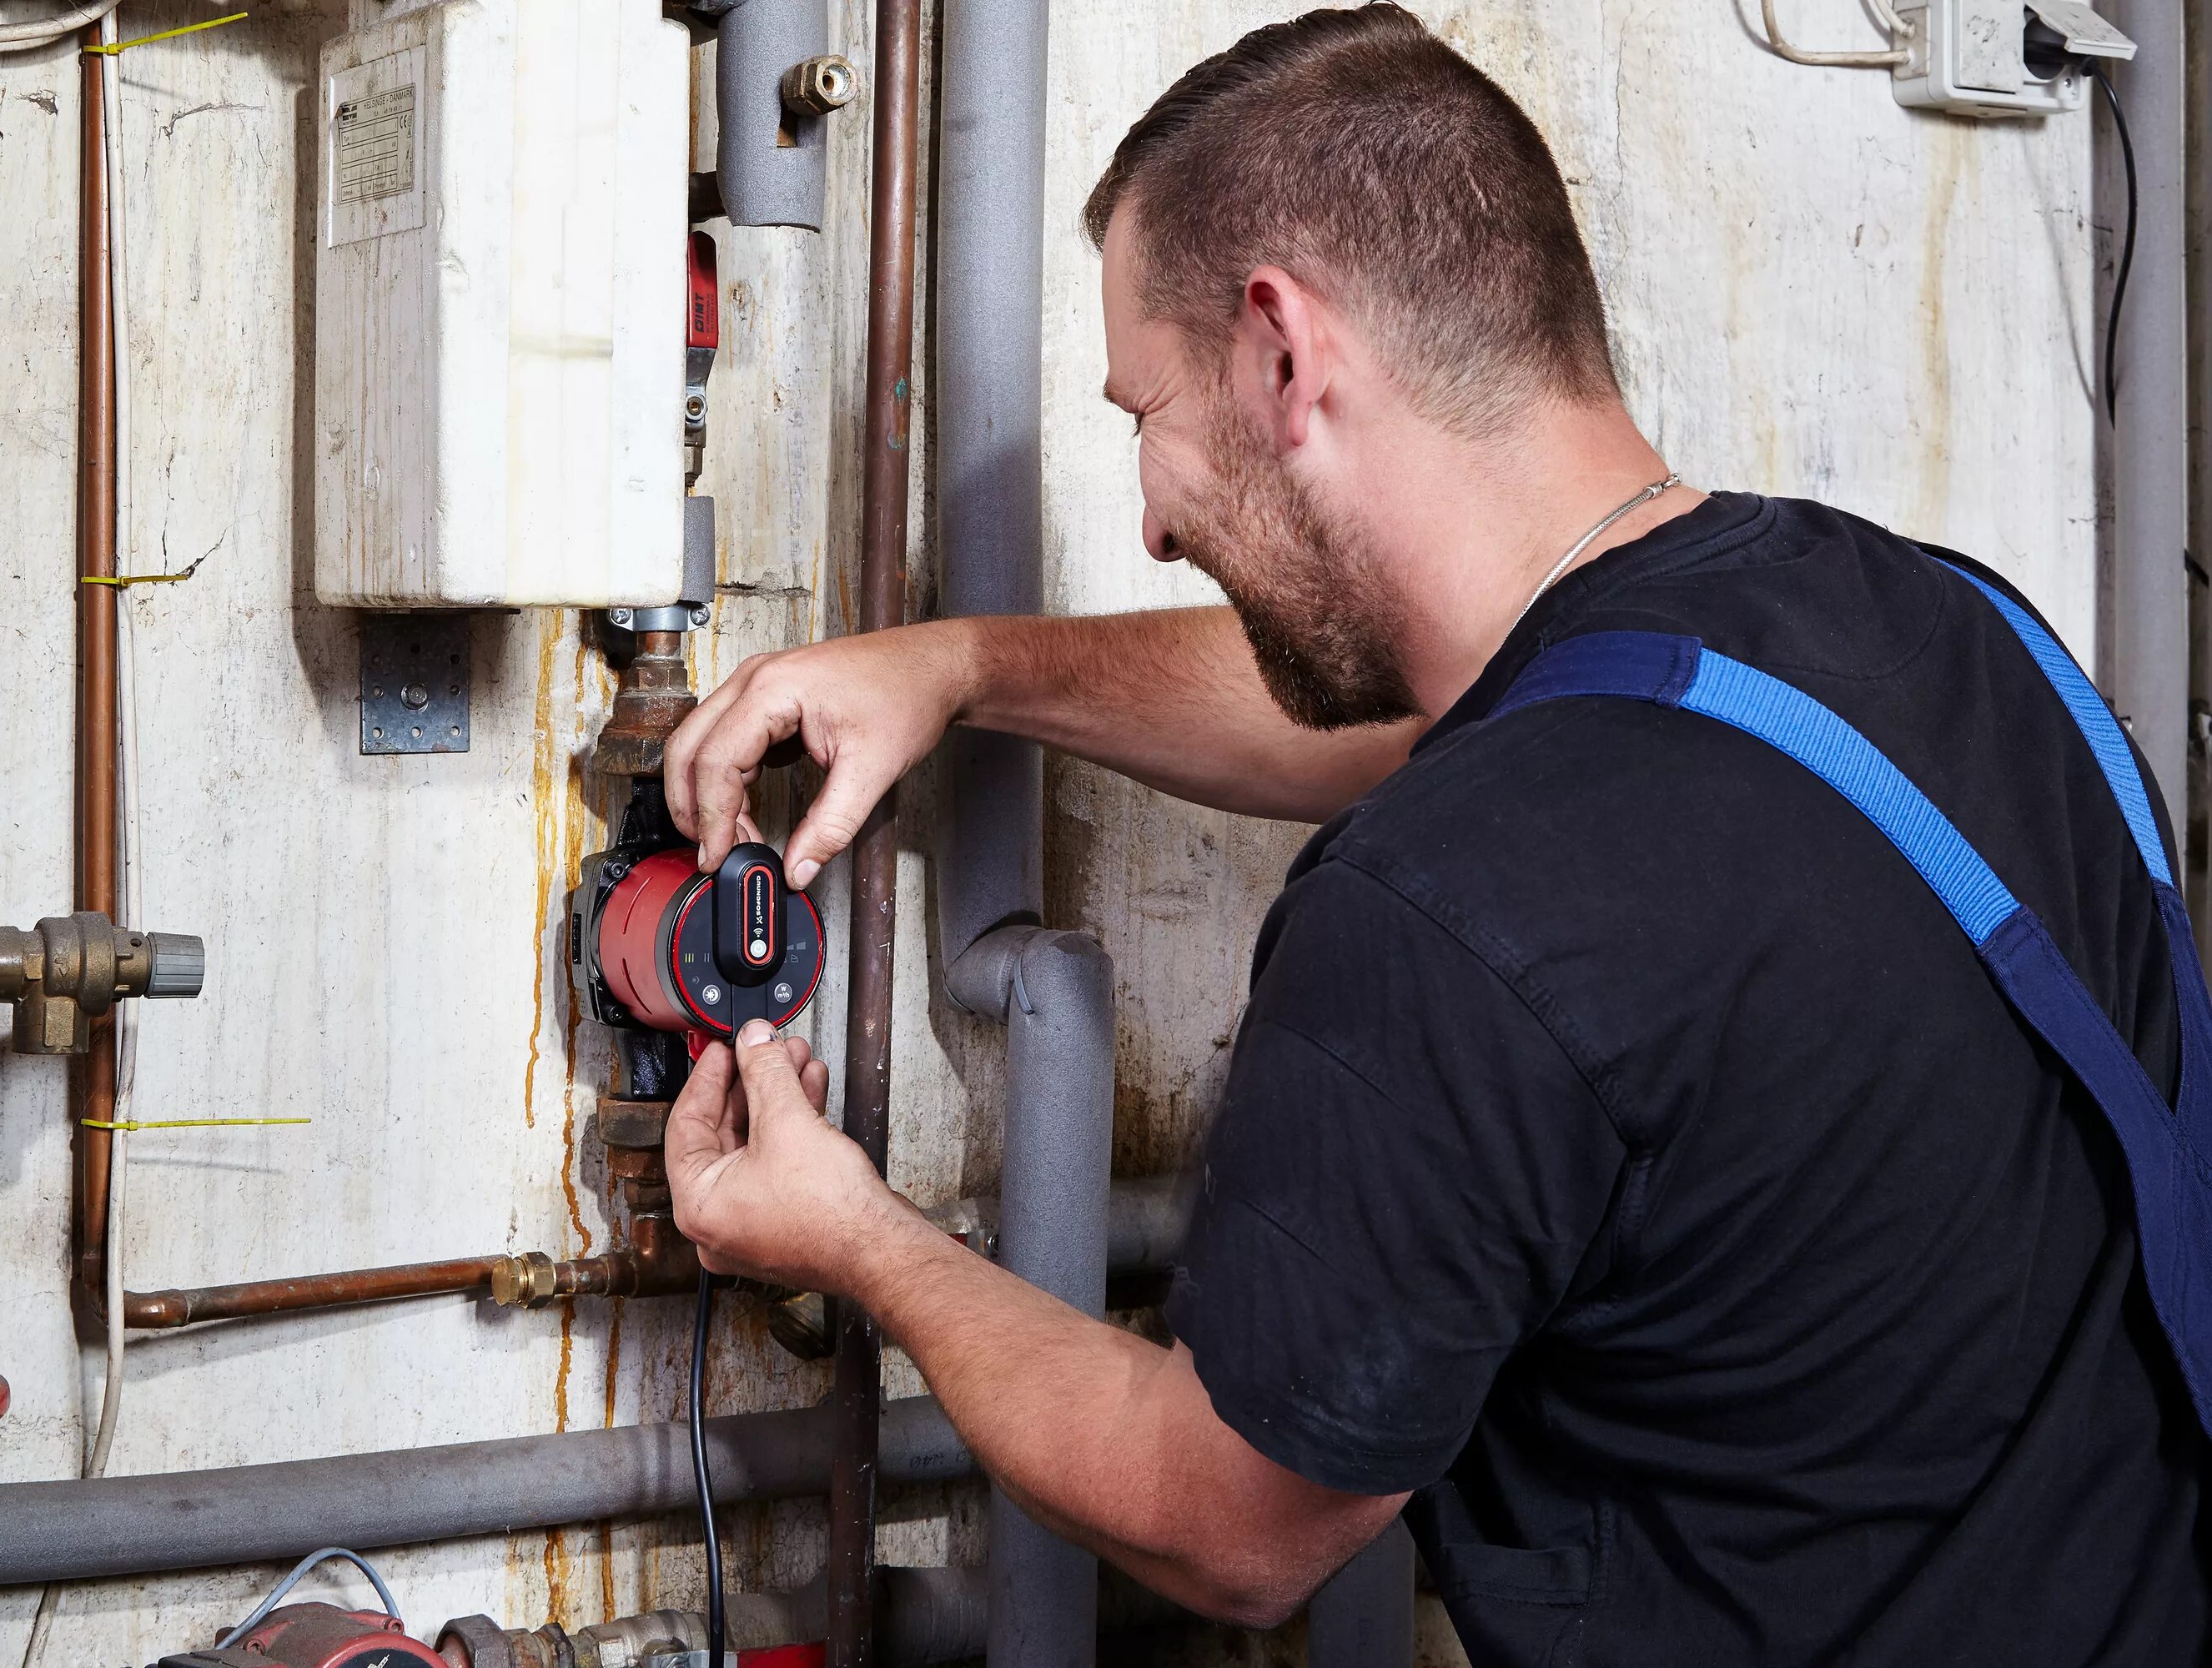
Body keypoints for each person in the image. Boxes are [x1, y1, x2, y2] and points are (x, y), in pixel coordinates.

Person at [657, 6, 2211, 1662]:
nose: (1154, 513)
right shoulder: (1954, 633)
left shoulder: (1444, 912)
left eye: (1144, 414)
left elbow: (1225, 1519)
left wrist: (857, 1237)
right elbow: (1451, 728)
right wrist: (963, 666)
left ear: (1281, 349)